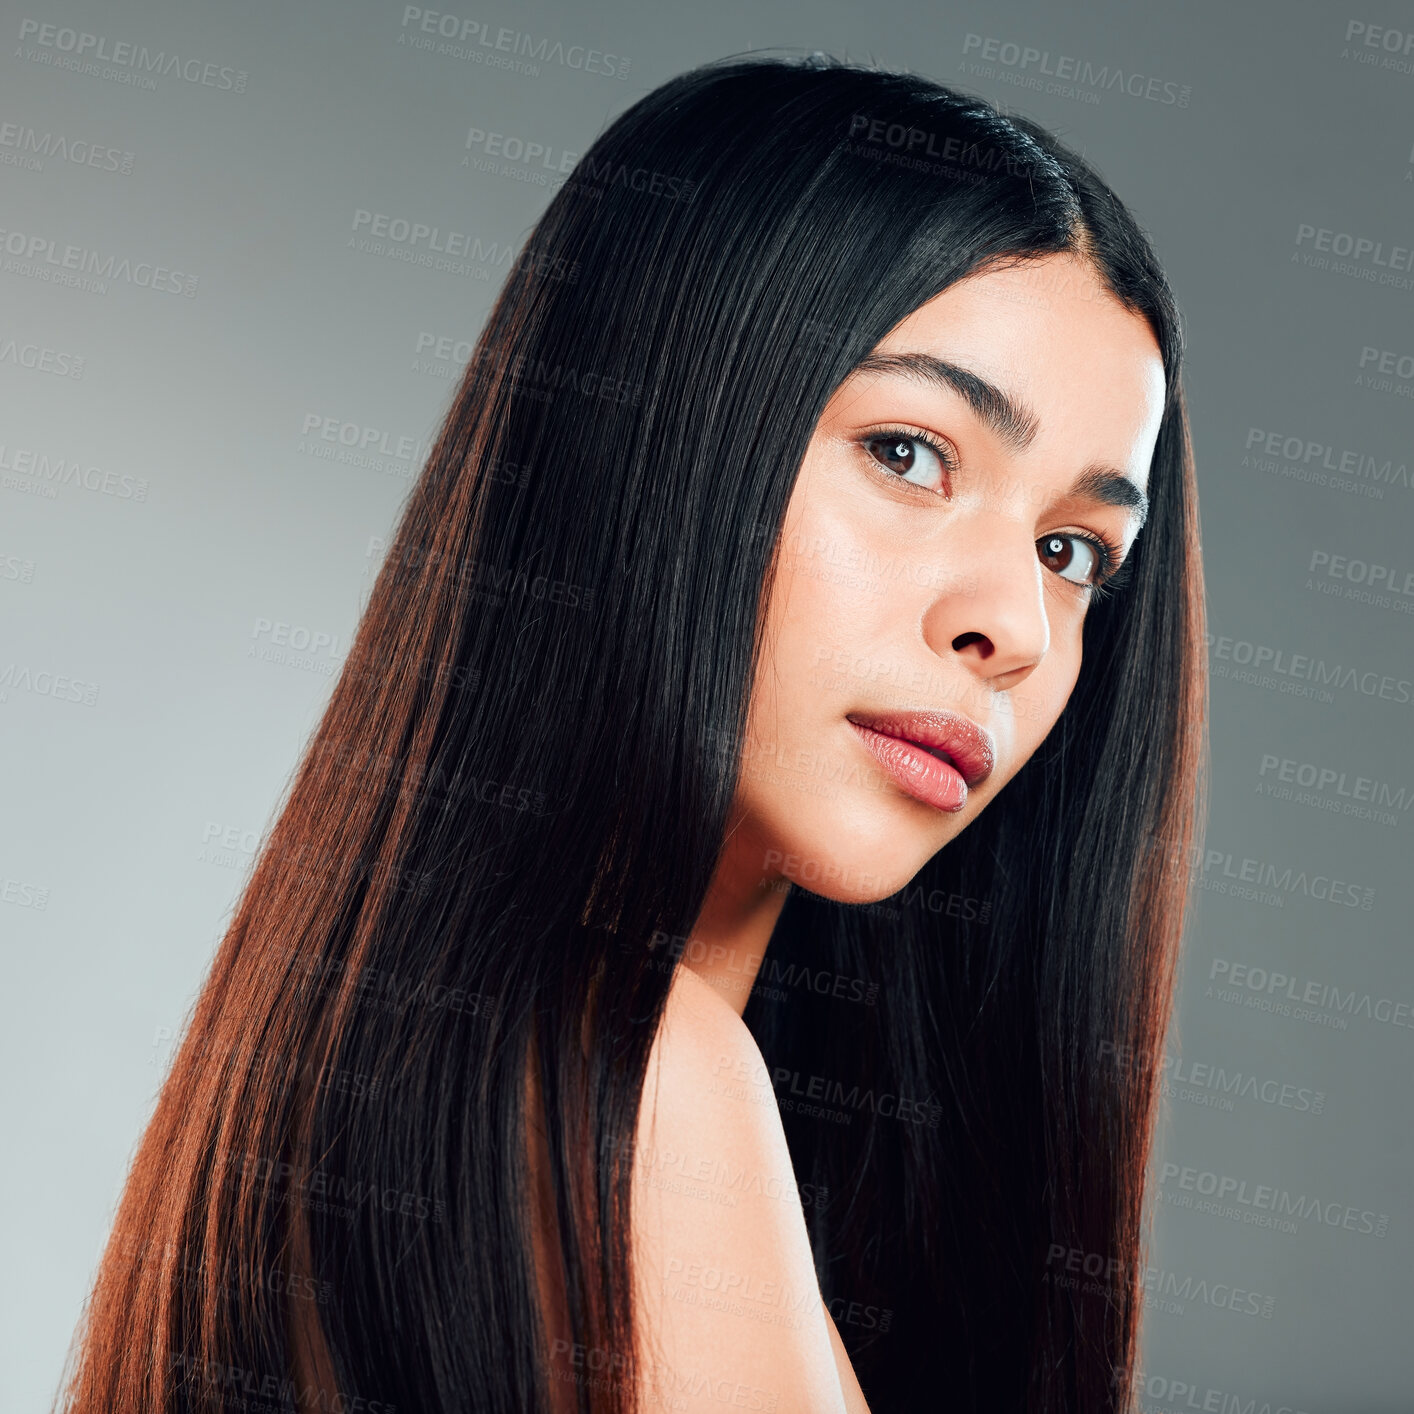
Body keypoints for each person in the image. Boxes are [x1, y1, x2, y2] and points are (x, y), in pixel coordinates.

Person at [58, 51, 1207, 1414]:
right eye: (908, 452)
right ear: (653, 437)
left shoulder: (374, 1085)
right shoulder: (644, 1091)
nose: (1011, 621)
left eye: (1075, 550)